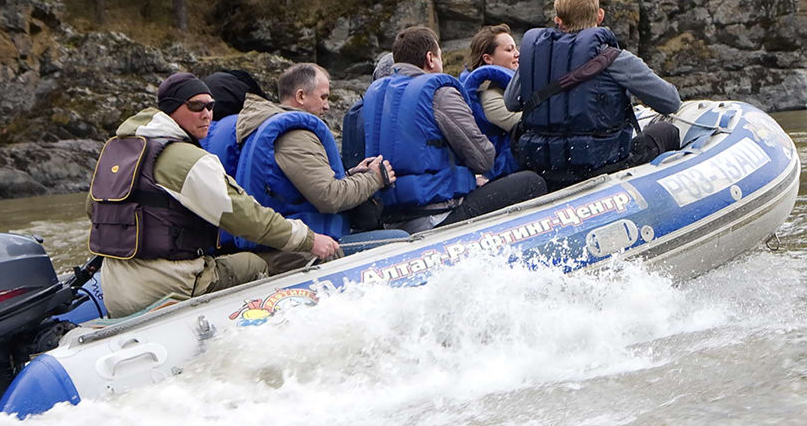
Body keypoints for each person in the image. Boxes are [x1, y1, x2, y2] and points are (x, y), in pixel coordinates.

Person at [87, 72, 342, 317]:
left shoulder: (116, 151)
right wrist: (310, 240)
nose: (207, 114)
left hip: (115, 293)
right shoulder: (187, 159)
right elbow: (249, 218)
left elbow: (94, 211)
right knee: (257, 262)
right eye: (196, 106)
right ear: (171, 109)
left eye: (210, 106)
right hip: (168, 290)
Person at [363, 26, 547, 232]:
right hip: (437, 217)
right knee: (533, 182)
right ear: (430, 58)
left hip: (392, 219)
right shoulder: (440, 93)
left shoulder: (375, 95)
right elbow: (483, 158)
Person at [505, 0, 683, 186]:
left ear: (558, 20)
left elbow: (511, 102)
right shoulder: (614, 58)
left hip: (545, 168)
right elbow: (671, 102)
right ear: (600, 16)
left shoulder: (536, 55)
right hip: (602, 167)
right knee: (667, 131)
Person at [232, 62, 395, 239]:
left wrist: (354, 174)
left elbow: (299, 189)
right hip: (305, 248)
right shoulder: (294, 136)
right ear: (301, 96)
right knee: (397, 239)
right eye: (323, 97)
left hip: (292, 239)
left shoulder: (266, 125)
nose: (327, 106)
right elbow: (330, 197)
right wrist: (374, 178)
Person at [461, 24, 522, 179]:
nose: (517, 54)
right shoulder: (487, 96)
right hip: (502, 173)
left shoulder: (506, 87)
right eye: (509, 50)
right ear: (488, 58)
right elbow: (525, 123)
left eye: (516, 48)